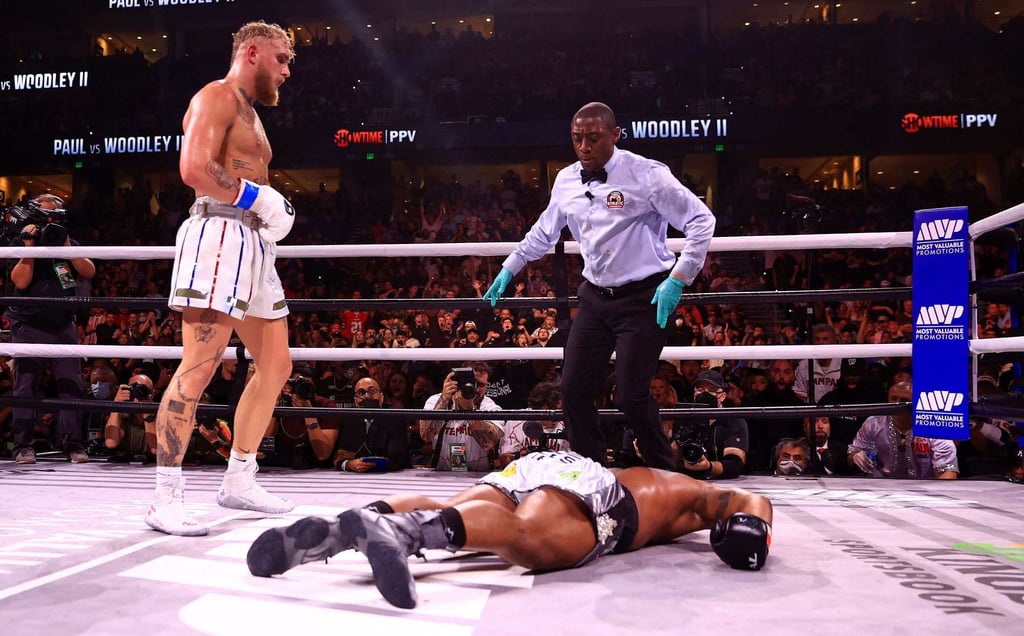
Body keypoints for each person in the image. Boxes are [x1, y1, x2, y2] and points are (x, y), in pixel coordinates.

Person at [483, 102, 716, 470]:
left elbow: (702, 220)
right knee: (572, 389)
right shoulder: (565, 180)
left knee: (630, 393)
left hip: (646, 296)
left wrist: (679, 277)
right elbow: (545, 231)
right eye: (577, 139)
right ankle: (591, 471)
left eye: (593, 138)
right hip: (595, 296)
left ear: (615, 134)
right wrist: (510, 267)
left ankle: (665, 472)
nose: (584, 147)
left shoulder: (646, 174)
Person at [247, 451, 773, 609]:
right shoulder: (680, 488)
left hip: (527, 468)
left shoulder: (664, 484)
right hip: (584, 486)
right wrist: (755, 528)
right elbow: (747, 499)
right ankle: (404, 533)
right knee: (528, 540)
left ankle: (353, 526)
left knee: (458, 506)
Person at [145, 21, 298, 536]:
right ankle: (165, 494)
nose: (286, 70)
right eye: (281, 59)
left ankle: (239, 479)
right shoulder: (216, 96)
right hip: (217, 237)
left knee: (276, 365)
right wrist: (256, 197)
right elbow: (193, 167)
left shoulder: (253, 115)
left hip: (253, 243)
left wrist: (266, 208)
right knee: (200, 364)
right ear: (252, 52)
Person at [5, 194, 95, 464]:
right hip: (28, 323)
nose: (48, 221)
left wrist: (65, 244)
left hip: (62, 323)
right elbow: (20, 282)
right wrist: (30, 247)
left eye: (54, 215)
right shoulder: (20, 241)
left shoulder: (66, 242)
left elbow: (88, 270)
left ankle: (73, 444)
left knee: (71, 385)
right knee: (25, 387)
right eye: (45, 215)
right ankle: (22, 446)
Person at [848, 381, 959, 479]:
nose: (897, 404)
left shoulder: (933, 427)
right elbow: (851, 454)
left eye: (904, 400)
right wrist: (856, 456)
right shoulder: (874, 424)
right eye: (893, 398)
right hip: (882, 486)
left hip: (924, 487)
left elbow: (948, 471)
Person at [419, 361, 505, 472]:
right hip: (442, 475)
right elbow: (426, 435)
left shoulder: (491, 408)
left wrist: (469, 411)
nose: (476, 388)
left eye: (481, 385)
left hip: (479, 476)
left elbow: (488, 444)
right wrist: (444, 399)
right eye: (472, 383)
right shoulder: (435, 401)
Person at [673, 370, 749, 479]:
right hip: (686, 480)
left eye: (712, 390)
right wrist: (679, 443)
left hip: (723, 485)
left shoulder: (734, 420)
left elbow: (734, 465)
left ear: (722, 396)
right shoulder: (684, 418)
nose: (705, 394)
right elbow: (670, 459)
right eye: (700, 389)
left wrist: (709, 467)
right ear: (694, 393)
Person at [329, 376, 410, 472]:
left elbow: (396, 459)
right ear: (355, 401)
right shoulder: (348, 420)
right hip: (353, 479)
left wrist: (359, 459)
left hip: (387, 476)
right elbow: (338, 456)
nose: (367, 396)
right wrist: (348, 464)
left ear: (381, 397)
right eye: (361, 393)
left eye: (372, 391)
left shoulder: (395, 419)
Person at [497, 381, 569, 468]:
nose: (554, 418)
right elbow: (503, 461)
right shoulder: (516, 421)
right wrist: (518, 456)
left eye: (558, 410)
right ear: (537, 408)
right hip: (523, 473)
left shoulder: (566, 423)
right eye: (549, 411)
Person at [104, 373, 158, 462]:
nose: (139, 392)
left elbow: (155, 449)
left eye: (143, 389)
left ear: (153, 392)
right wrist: (116, 405)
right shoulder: (122, 414)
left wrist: (147, 412)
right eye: (135, 389)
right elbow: (111, 443)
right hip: (126, 465)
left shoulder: (161, 413)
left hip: (154, 465)